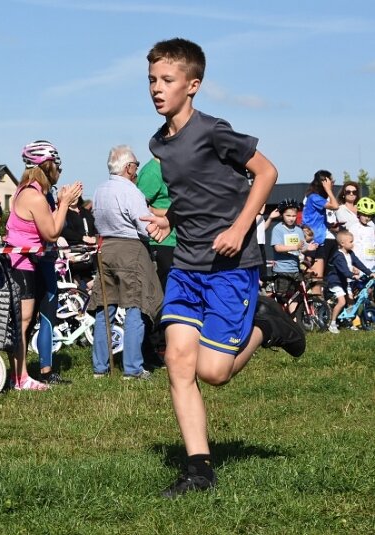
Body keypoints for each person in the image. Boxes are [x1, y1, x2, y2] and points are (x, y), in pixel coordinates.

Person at [142, 38, 306, 498]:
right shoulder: (160, 143)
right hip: (187, 266)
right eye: (151, 80)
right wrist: (168, 217)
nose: (157, 88)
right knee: (177, 360)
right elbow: (196, 191)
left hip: (230, 267)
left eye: (167, 80)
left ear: (192, 85)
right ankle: (199, 471)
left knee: (215, 372)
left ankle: (267, 325)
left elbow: (267, 172)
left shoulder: (214, 130)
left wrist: (240, 227)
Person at [5, 140, 82, 389]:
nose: (59, 170)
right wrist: (63, 204)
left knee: (27, 321)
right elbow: (51, 233)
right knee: (24, 321)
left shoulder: (29, 190)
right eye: (56, 165)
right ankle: (21, 377)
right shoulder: (33, 195)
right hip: (22, 264)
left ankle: (23, 374)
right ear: (46, 165)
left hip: (31, 262)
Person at [90, 146, 163, 380]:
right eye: (136, 165)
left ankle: (100, 367)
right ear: (128, 167)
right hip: (130, 248)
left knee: (105, 308)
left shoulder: (100, 190)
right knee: (135, 307)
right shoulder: (131, 191)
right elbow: (144, 224)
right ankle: (132, 368)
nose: (137, 170)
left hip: (105, 248)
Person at [270, 199, 317, 313]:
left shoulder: (298, 230)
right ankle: (279, 317)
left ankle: (294, 319)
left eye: (294, 216)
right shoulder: (278, 229)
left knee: (295, 295)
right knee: (282, 295)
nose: (291, 218)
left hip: (295, 268)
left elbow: (301, 247)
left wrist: (308, 248)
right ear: (282, 215)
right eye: (288, 215)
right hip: (282, 269)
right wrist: (294, 247)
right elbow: (277, 247)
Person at [136, 158, 175, 289]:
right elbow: (140, 209)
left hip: (177, 240)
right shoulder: (151, 172)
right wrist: (168, 212)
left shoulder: (173, 167)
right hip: (161, 242)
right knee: (163, 291)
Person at [326, 229, 373, 333]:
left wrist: (369, 273)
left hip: (345, 281)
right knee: (342, 301)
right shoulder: (338, 255)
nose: (353, 243)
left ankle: (350, 322)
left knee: (351, 302)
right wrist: (353, 275)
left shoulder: (350, 253)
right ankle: (332, 323)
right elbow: (343, 270)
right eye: (350, 241)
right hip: (336, 281)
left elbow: (358, 263)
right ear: (342, 243)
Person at [303, 170, 339, 280]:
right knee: (311, 276)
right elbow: (335, 205)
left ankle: (316, 297)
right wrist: (328, 190)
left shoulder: (319, 198)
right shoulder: (314, 197)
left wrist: (329, 225)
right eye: (331, 181)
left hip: (320, 241)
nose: (333, 184)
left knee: (319, 279)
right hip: (312, 240)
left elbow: (318, 218)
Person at [60, 196, 98, 287]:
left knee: (93, 285)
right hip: (73, 254)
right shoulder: (64, 213)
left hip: (90, 253)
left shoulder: (86, 212)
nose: (73, 198)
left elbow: (94, 227)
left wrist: (94, 238)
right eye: (71, 195)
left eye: (76, 195)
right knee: (74, 285)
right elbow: (63, 230)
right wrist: (82, 238)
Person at [348, 197, 375, 270]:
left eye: (370, 216)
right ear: (359, 214)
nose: (367, 218)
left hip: (371, 263)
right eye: (365, 215)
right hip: (358, 263)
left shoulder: (372, 227)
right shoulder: (353, 228)